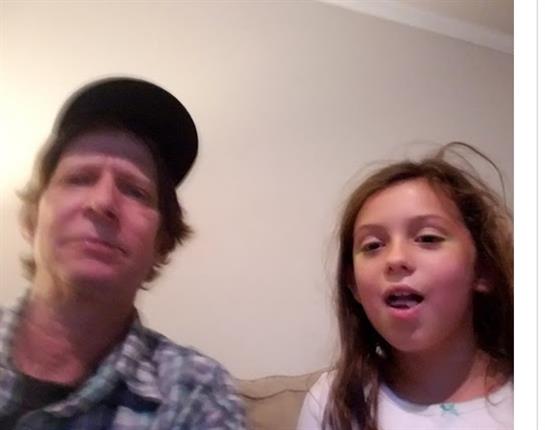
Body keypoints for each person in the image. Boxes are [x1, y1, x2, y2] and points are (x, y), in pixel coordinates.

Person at [0, 77, 247, 429]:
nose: (102, 203)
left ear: (160, 243)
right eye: (80, 178)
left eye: (135, 191)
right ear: (31, 217)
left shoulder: (197, 392)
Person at [297, 142, 513, 430]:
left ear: (483, 269)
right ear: (353, 285)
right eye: (373, 245)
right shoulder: (331, 401)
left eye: (428, 238)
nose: (395, 259)